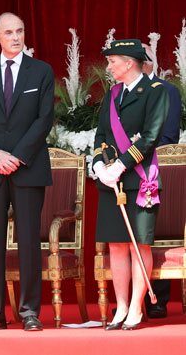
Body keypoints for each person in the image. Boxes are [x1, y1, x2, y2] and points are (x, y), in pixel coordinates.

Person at [0, 12, 55, 332]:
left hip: (27, 169)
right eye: (8, 32)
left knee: (29, 241)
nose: (15, 37)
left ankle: (29, 311)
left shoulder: (41, 71)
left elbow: (44, 120)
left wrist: (16, 156)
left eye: (20, 31)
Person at [93, 39, 169, 331]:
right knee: (116, 245)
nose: (109, 66)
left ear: (129, 63)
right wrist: (100, 164)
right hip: (112, 181)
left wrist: (122, 165)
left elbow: (150, 137)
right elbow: (101, 134)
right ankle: (121, 305)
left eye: (113, 61)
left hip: (140, 179)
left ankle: (137, 306)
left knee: (139, 244)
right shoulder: (112, 95)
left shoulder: (155, 92)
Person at [142, 43, 182, 319]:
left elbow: (169, 135)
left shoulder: (167, 91)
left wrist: (139, 157)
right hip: (126, 171)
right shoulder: (119, 93)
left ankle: (158, 299)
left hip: (155, 169)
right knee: (130, 236)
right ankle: (131, 298)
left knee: (155, 231)